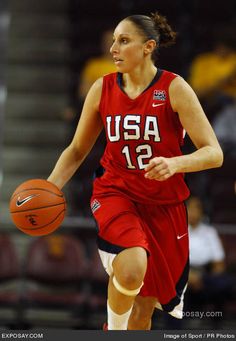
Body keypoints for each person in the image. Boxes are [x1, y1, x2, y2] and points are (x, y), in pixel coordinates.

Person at [47, 12, 223, 330]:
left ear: (148, 46)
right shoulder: (102, 89)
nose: (114, 48)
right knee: (130, 268)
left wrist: (175, 163)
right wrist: (49, 188)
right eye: (114, 40)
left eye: (123, 40)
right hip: (116, 192)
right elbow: (75, 151)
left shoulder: (174, 88)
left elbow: (214, 153)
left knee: (143, 309)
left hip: (163, 205)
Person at [184, 195, 233, 327]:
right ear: (184, 210)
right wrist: (189, 277)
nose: (194, 212)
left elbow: (219, 263)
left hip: (205, 274)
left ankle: (217, 326)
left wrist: (202, 278)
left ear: (202, 212)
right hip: (181, 274)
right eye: (190, 208)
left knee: (224, 283)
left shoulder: (209, 232)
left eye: (197, 208)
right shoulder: (177, 231)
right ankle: (172, 329)